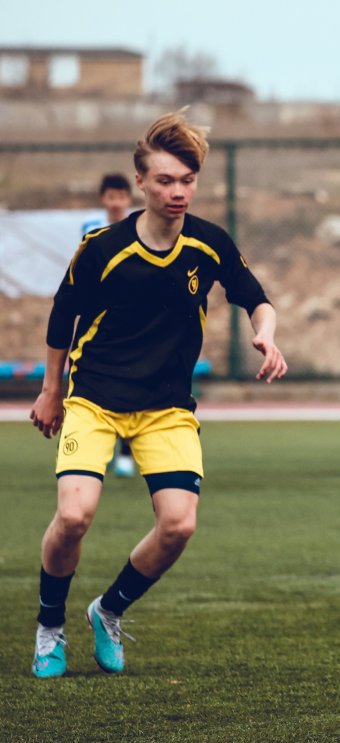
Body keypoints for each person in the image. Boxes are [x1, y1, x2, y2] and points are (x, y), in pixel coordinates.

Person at [29, 110, 288, 679]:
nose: (178, 192)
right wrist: (51, 392)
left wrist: (264, 334)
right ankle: (51, 624)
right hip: (94, 397)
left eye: (187, 181)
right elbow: (60, 319)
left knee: (179, 525)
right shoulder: (102, 249)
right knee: (74, 516)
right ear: (141, 183)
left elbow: (256, 297)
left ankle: (109, 610)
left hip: (166, 407)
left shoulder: (209, 242)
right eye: (166, 180)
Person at [85, 173, 139, 477]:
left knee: (131, 383)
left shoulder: (140, 229)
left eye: (121, 196)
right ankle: (92, 447)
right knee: (94, 383)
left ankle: (126, 451)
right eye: (111, 196)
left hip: (129, 321)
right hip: (97, 322)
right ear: (103, 199)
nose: (116, 202)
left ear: (128, 199)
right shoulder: (91, 232)